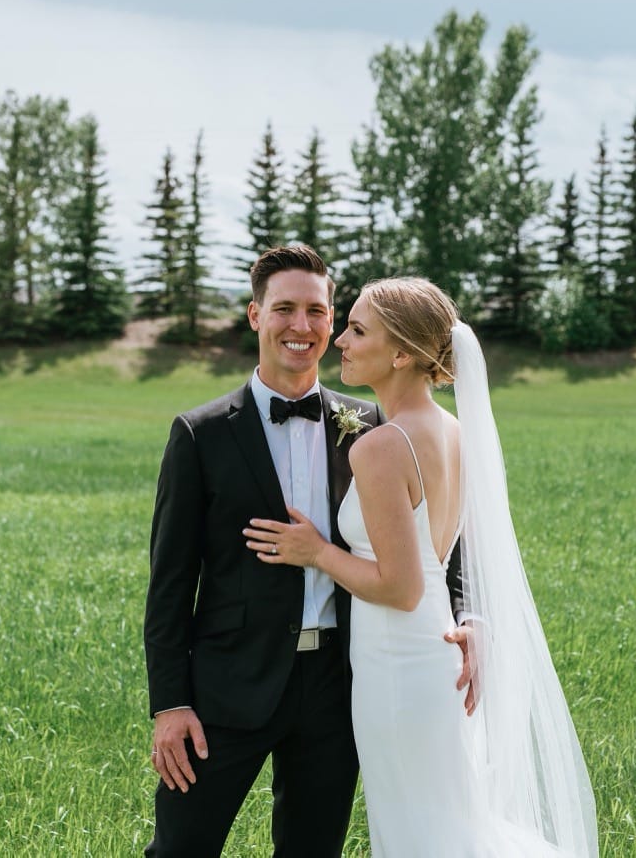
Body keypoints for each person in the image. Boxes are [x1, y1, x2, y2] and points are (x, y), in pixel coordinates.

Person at [246, 277, 597, 857]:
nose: (342, 342)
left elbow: (401, 587)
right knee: (447, 825)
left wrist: (316, 552)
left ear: (403, 353)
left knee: (419, 834)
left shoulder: (381, 447)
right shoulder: (451, 431)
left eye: (358, 330)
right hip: (431, 657)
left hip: (397, 668)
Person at [143, 248, 470, 856]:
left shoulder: (375, 426)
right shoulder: (200, 434)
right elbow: (168, 582)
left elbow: (445, 541)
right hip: (227, 686)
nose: (304, 326)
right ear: (254, 316)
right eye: (285, 309)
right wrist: (171, 704)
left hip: (340, 684)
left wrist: (468, 616)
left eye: (318, 311)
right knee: (180, 850)